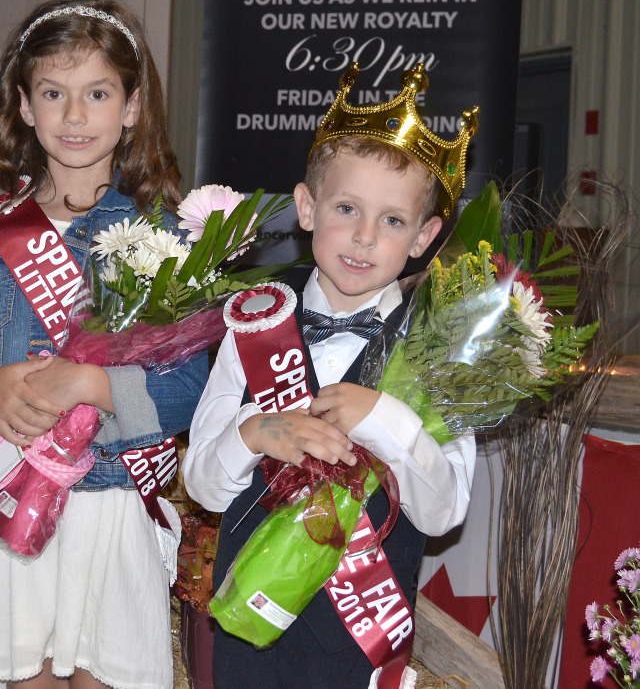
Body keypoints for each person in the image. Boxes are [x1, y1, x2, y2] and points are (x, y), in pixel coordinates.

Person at [0, 0, 207, 689]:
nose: (75, 116)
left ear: (132, 107)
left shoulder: (167, 236)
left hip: (110, 497)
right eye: (53, 93)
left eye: (97, 93)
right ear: (23, 105)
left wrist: (92, 384)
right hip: (5, 491)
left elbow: (191, 389)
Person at [181, 63, 478, 689]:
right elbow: (203, 485)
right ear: (307, 207)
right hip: (248, 627)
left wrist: (385, 419)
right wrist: (257, 432)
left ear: (424, 236)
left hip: (360, 639)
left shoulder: (437, 348)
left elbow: (444, 510)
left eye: (393, 221)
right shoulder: (257, 322)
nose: (365, 237)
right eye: (347, 208)